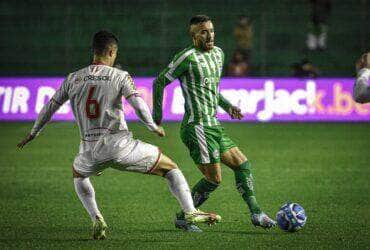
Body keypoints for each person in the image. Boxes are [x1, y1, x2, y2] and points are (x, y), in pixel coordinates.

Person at [17, 30, 221, 240]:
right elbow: (138, 104)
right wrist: (151, 125)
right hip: (121, 146)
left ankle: (97, 218)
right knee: (171, 168)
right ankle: (190, 211)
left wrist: (34, 132)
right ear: (112, 51)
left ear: (93, 51)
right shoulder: (119, 75)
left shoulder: (73, 78)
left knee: (78, 175)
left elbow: (49, 108)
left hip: (90, 151)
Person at [153, 15, 276, 232]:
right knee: (214, 179)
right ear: (193, 36)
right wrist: (157, 114)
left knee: (242, 164)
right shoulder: (187, 58)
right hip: (197, 127)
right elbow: (160, 80)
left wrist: (228, 106)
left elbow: (212, 90)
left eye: (211, 30)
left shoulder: (219, 54)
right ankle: (185, 217)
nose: (209, 35)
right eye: (203, 31)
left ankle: (256, 213)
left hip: (215, 125)